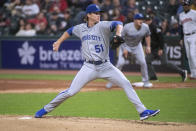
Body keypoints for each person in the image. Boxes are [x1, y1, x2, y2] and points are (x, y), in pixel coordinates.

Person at [34, 4, 160, 120]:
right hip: (88, 67)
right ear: (88, 15)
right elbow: (70, 31)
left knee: (126, 83)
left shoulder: (103, 25)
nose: (99, 15)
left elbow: (118, 23)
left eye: (99, 13)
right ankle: (45, 109)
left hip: (106, 66)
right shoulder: (81, 28)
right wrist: (59, 42)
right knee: (71, 91)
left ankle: (142, 111)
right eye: (95, 13)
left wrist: (118, 33)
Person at [106, 13, 153, 88]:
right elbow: (121, 37)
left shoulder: (145, 27)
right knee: (120, 63)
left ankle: (146, 82)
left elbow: (147, 36)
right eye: (138, 19)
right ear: (134, 20)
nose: (140, 21)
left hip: (137, 46)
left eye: (141, 19)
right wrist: (124, 48)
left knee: (143, 62)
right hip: (125, 45)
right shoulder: (128, 27)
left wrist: (148, 46)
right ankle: (111, 82)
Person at [145, 15, 187, 81]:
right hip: (153, 49)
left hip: (159, 47)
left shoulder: (155, 27)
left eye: (148, 20)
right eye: (146, 20)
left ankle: (182, 72)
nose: (147, 21)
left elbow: (161, 39)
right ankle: (153, 77)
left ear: (151, 20)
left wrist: (161, 49)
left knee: (165, 63)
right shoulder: (145, 28)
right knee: (147, 60)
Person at [179, 0, 196, 79]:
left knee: (193, 55)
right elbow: (181, 27)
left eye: (186, 5)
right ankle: (193, 74)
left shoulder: (194, 13)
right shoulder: (181, 15)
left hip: (194, 35)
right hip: (185, 36)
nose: (185, 6)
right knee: (189, 56)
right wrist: (181, 38)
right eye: (184, 5)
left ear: (189, 6)